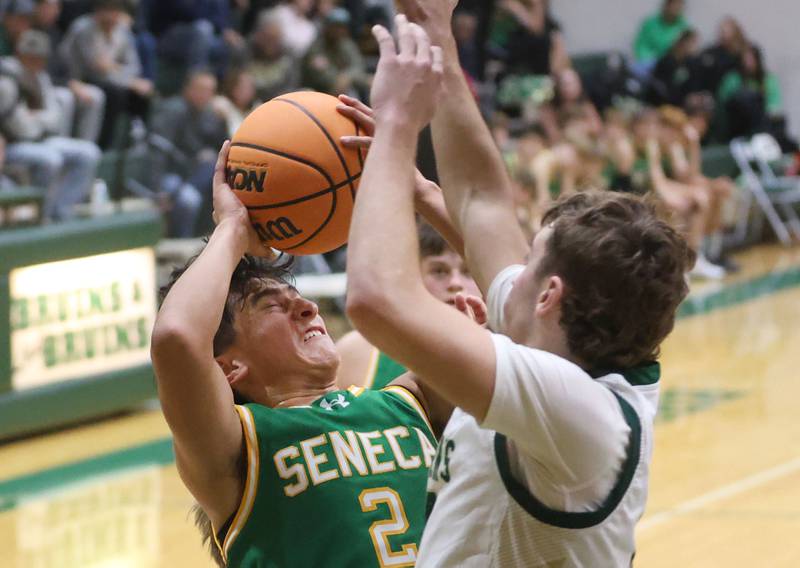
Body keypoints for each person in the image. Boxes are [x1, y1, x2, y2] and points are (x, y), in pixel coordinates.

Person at [345, 10, 694, 567]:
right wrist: (437, 35)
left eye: (528, 257)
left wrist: (396, 128)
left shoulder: (575, 411)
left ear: (550, 295)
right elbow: (482, 199)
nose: (508, 265)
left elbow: (375, 298)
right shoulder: (566, 341)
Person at [151, 137, 485, 567]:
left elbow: (519, 295)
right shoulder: (237, 444)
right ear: (229, 366)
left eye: (296, 297)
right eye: (272, 306)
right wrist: (232, 230)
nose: (307, 307)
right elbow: (177, 337)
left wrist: (422, 193)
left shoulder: (407, 402)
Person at [338, 220, 483, 390]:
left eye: (468, 271)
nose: (455, 283)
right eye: (439, 271)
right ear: (413, 276)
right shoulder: (358, 350)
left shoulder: (507, 350)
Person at [0, 29, 100, 220]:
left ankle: (60, 209)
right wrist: (40, 121)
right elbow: (19, 128)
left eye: (40, 56)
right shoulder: (6, 79)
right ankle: (39, 215)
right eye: (31, 56)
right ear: (20, 54)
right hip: (13, 145)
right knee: (50, 159)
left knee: (88, 153)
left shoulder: (40, 77)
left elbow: (55, 117)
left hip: (39, 139)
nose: (37, 61)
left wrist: (36, 119)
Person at [58, 0, 153, 148]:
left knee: (143, 94)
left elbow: (134, 67)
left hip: (112, 80)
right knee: (115, 93)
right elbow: (94, 68)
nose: (110, 16)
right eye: (106, 10)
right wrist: (126, 79)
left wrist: (115, 69)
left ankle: (136, 141)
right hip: (76, 78)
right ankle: (102, 147)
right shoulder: (83, 29)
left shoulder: (122, 30)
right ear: (97, 12)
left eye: (115, 10)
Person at [148, 70, 227, 237]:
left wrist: (222, 121)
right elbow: (158, 152)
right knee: (188, 200)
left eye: (211, 91)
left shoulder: (207, 113)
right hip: (169, 173)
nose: (207, 95)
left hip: (191, 173)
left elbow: (222, 145)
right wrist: (157, 190)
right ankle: (183, 243)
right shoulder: (173, 110)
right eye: (203, 89)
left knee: (215, 165)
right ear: (189, 89)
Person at [301, 7, 370, 98]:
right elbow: (325, 78)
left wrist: (347, 77)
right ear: (327, 27)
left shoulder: (346, 44)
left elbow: (358, 66)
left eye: (342, 27)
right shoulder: (316, 49)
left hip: (343, 87)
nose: (338, 31)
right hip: (317, 93)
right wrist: (348, 79)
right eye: (335, 27)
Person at [243, 10, 299, 102]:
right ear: (259, 36)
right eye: (268, 38)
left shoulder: (289, 55)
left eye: (276, 39)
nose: (272, 44)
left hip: (276, 103)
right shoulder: (246, 50)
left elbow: (290, 87)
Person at [633, 0, 690, 76]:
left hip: (672, 64)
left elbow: (685, 50)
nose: (677, 8)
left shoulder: (684, 26)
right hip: (649, 62)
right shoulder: (650, 23)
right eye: (674, 5)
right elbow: (640, 45)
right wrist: (651, 60)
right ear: (666, 6)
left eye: (680, 5)